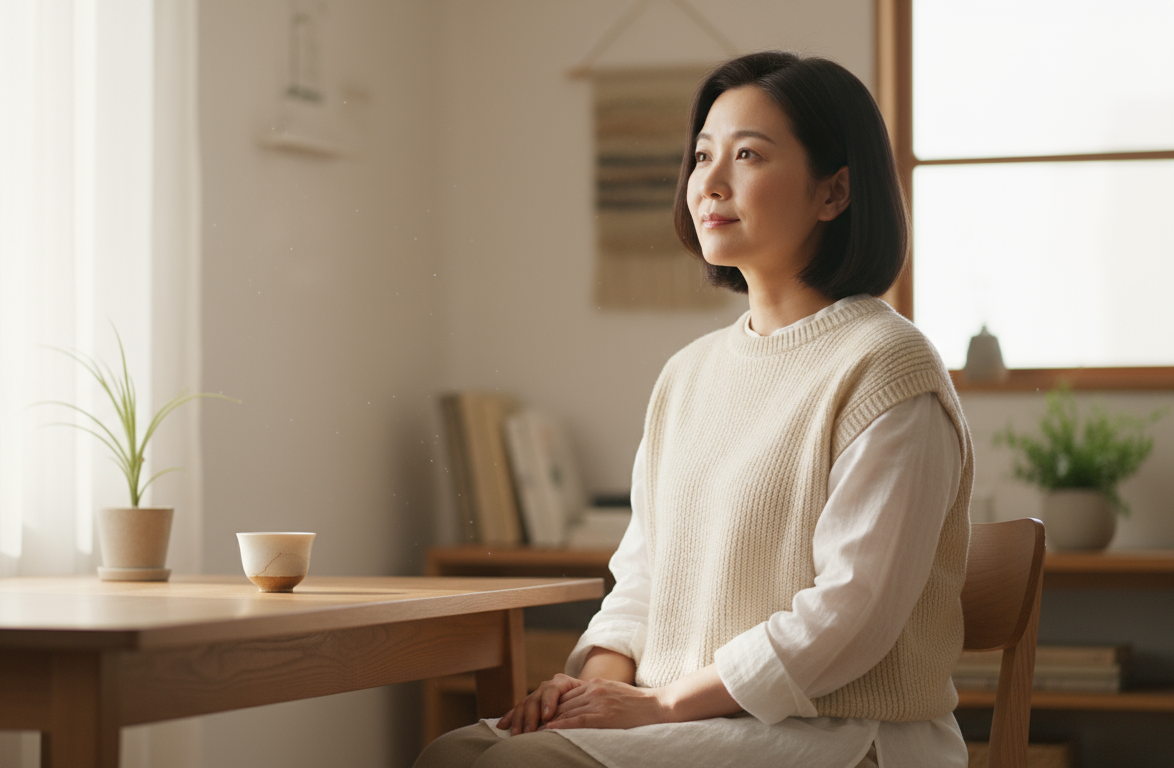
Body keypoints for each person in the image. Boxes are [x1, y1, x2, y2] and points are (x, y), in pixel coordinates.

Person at [413, 50, 972, 768]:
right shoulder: (688, 375)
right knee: (450, 754)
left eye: (748, 155)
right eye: (703, 155)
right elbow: (643, 580)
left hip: (840, 734)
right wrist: (591, 689)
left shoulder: (887, 365)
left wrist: (662, 705)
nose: (708, 182)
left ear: (834, 192)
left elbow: (850, 614)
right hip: (681, 722)